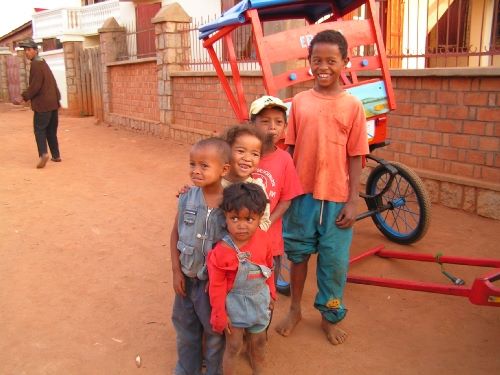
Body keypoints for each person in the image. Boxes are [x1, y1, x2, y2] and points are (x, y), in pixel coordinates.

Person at [275, 30, 369, 345]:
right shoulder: (299, 103)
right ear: (309, 62)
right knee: (297, 256)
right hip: (301, 197)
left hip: (338, 199)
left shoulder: (353, 105)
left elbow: (356, 155)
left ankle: (330, 317)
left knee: (334, 263)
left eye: (331, 60)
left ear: (345, 62)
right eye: (317, 60)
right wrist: (278, 189)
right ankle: (295, 309)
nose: (323, 66)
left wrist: (353, 201)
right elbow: (288, 150)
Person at [170, 137, 231, 375]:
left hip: (213, 287)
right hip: (186, 280)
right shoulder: (186, 198)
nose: (195, 171)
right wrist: (176, 271)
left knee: (215, 333)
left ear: (224, 169)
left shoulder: (231, 204)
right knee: (186, 329)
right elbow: (175, 233)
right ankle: (187, 369)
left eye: (204, 166)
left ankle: (214, 370)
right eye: (192, 164)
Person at [208, 182, 276, 375]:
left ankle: (259, 370)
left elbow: (269, 268)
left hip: (259, 299)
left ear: (260, 217)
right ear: (225, 217)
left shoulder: (264, 240)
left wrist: (271, 291)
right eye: (234, 218)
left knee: (259, 341)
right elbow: (216, 286)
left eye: (249, 219)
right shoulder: (221, 251)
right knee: (234, 345)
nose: (241, 225)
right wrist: (220, 314)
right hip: (234, 304)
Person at [249, 96, 303, 291]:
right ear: (251, 124)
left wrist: (265, 224)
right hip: (238, 240)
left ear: (285, 127)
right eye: (265, 121)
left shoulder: (285, 160)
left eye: (278, 122)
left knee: (265, 292)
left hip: (269, 242)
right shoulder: (240, 154)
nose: (272, 127)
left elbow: (286, 200)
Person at [16, 38, 62, 169]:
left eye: (29, 50)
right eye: (25, 50)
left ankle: (43, 154)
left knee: (39, 130)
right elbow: (52, 82)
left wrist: (23, 97)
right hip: (53, 103)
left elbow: (35, 85)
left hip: (43, 104)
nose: (27, 52)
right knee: (51, 131)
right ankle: (56, 155)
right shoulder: (43, 62)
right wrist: (58, 99)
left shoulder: (36, 64)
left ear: (35, 51)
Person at [223, 125, 272, 232]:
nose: (247, 158)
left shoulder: (257, 188)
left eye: (255, 154)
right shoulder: (215, 182)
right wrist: (188, 192)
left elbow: (264, 221)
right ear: (226, 151)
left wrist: (246, 237)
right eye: (241, 151)